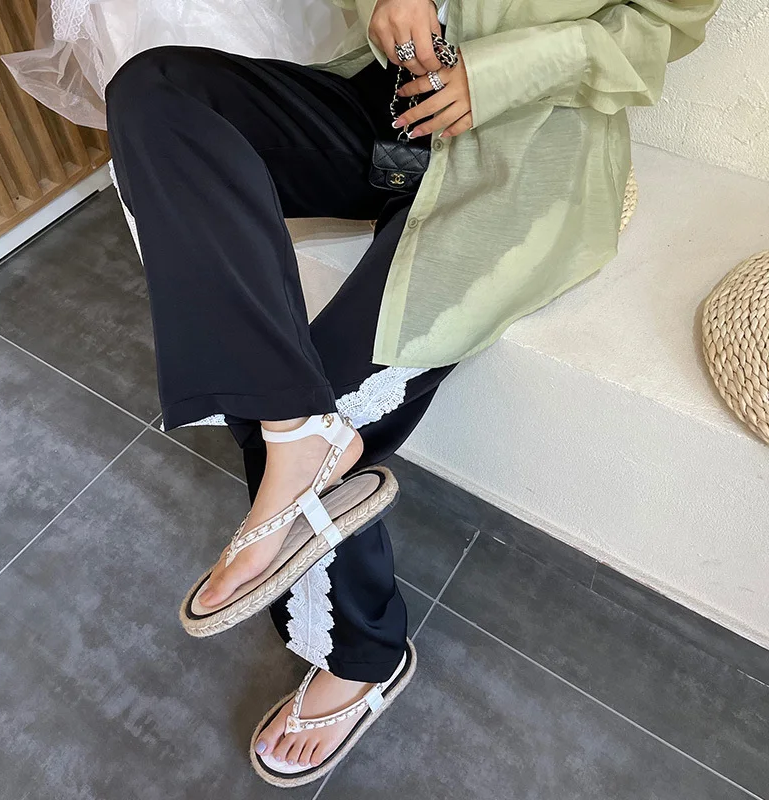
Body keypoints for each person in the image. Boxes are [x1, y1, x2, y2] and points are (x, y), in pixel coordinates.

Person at [104, 0, 720, 786]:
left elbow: (663, 28)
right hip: (384, 106)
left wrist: (498, 72)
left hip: (526, 141)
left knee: (327, 393)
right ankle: (296, 430)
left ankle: (363, 653)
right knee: (155, 91)